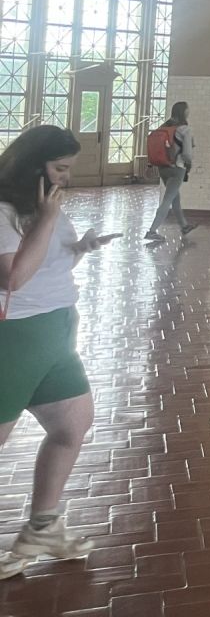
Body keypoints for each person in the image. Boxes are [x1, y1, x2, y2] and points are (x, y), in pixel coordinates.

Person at [0, 126, 117, 579]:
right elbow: (14, 278)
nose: (66, 178)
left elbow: (51, 259)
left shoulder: (42, 207)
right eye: (60, 168)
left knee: (72, 425)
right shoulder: (7, 211)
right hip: (17, 338)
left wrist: (81, 248)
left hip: (55, 334)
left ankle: (43, 528)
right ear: (34, 166)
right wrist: (48, 220)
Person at [143, 100, 196, 242]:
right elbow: (187, 154)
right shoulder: (185, 129)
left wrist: (150, 165)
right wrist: (189, 165)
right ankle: (152, 231)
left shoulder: (164, 127)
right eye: (188, 109)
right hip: (177, 168)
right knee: (167, 199)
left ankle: (184, 226)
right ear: (184, 112)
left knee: (174, 197)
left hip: (163, 168)